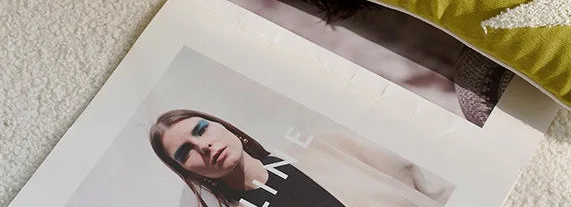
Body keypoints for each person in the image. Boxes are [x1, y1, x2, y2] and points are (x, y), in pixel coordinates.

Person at [150, 109, 453, 207]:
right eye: (185, 152)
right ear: (189, 173)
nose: (202, 146)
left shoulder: (329, 147)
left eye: (201, 130)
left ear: (225, 127)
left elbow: (427, 185)